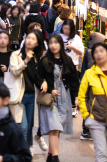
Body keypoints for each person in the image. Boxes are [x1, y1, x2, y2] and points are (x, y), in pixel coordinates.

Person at [36, 34, 79, 162]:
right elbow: (37, 77)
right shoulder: (45, 61)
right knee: (54, 127)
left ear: (61, 44)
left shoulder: (68, 61)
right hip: (49, 99)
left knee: (57, 128)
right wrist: (46, 86)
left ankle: (50, 156)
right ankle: (55, 158)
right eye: (51, 43)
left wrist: (75, 97)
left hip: (64, 97)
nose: (53, 45)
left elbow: (74, 80)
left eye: (56, 43)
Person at [9, 30, 44, 157]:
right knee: (22, 126)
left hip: (32, 95)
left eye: (33, 39)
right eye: (28, 37)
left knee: (29, 126)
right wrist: (25, 62)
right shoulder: (16, 55)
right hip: (19, 95)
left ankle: (28, 148)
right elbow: (13, 71)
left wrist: (43, 81)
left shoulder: (38, 58)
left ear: (37, 43)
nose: (29, 40)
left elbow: (39, 76)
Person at [79, 32, 106, 140]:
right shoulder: (91, 52)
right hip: (91, 83)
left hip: (88, 82)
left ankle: (88, 130)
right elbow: (91, 68)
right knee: (91, 106)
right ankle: (86, 131)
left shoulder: (89, 50)